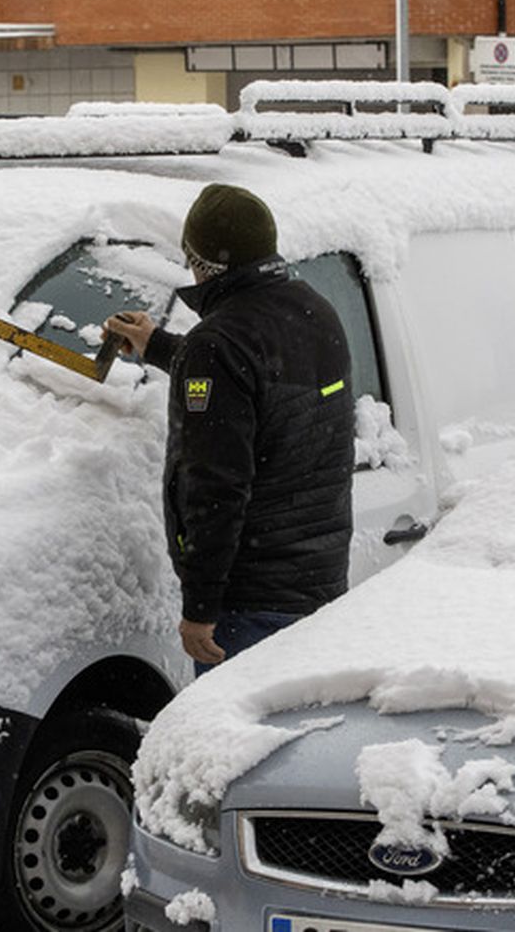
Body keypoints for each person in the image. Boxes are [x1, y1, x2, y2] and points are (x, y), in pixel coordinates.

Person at [104, 183, 355, 675]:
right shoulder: (314, 311)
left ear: (202, 261)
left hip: (249, 603)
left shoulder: (218, 345)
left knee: (236, 747)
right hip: (319, 586)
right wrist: (158, 345)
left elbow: (216, 487)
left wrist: (200, 607)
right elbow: (258, 386)